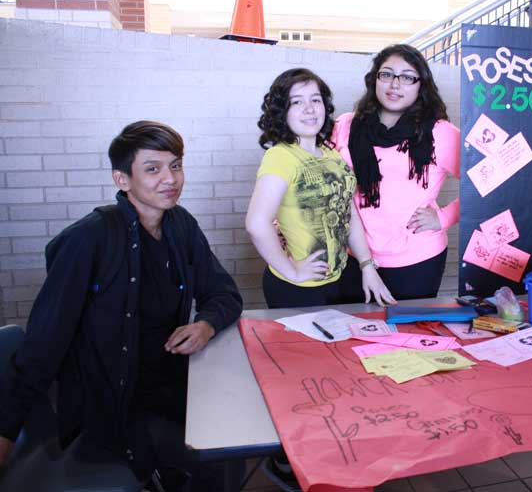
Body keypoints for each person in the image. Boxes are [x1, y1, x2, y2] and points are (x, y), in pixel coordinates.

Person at [0, 121, 243, 491]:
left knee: (232, 441)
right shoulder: (89, 239)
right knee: (207, 457)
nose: (170, 179)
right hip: (115, 403)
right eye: (153, 169)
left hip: (173, 384)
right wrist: (5, 432)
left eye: (176, 165)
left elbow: (225, 294)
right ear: (122, 180)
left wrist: (205, 325)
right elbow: (43, 344)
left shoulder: (181, 225)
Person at [245, 68, 395, 309]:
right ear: (282, 111)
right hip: (297, 289)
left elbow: (348, 212)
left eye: (315, 100)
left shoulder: (330, 153)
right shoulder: (280, 156)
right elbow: (256, 224)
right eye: (297, 102)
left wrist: (367, 267)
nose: (309, 108)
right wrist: (292, 271)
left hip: (340, 279)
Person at [331, 44, 460, 300]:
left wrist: (443, 217)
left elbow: (487, 185)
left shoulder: (439, 133)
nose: (395, 84)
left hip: (417, 259)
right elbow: (324, 179)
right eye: (387, 74)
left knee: (410, 336)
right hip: (355, 255)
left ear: (421, 85)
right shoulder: (346, 126)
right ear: (375, 79)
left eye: (407, 77)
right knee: (358, 333)